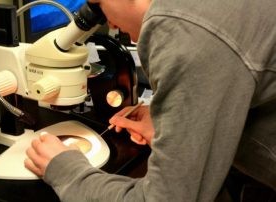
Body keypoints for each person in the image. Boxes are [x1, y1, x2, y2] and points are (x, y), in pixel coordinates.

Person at [25, 0, 276, 201]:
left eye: (98, 4)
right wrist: (176, 126)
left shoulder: (182, 29)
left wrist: (67, 172)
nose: (109, 22)